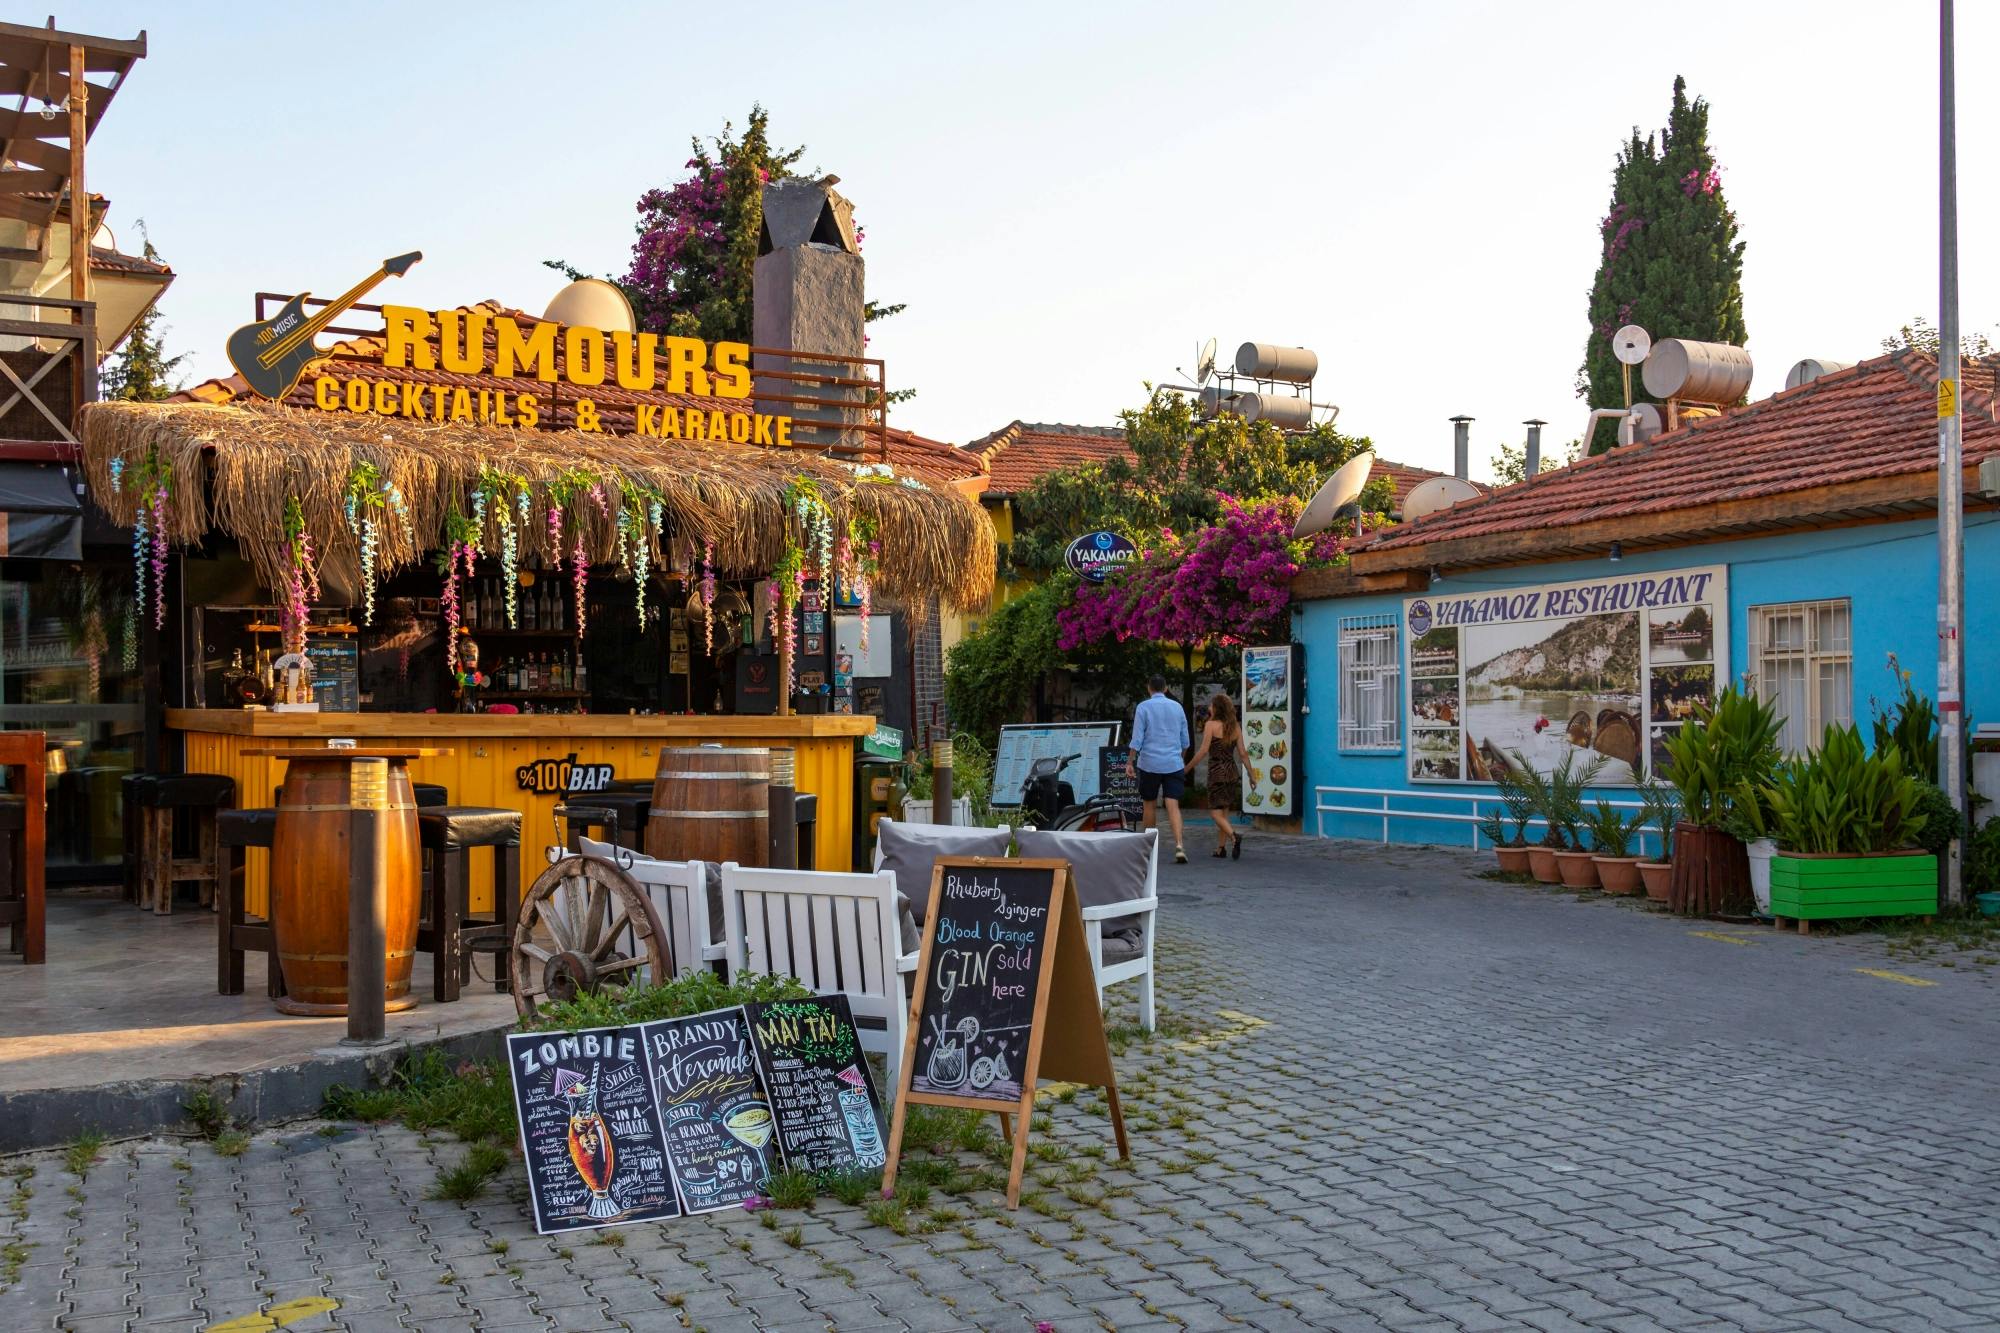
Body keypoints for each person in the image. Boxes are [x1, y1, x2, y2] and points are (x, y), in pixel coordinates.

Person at [1185, 694, 1260, 859]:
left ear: (1217, 708)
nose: (1209, 708)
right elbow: (1243, 754)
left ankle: (1234, 836)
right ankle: (1221, 849)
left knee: (1215, 813)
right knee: (1223, 813)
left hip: (1217, 773)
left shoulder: (1210, 725)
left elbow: (1203, 751)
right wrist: (1251, 775)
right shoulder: (1235, 727)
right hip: (1232, 773)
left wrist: (1187, 768)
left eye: (1211, 706)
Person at [1127, 674, 1190, 863]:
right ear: (1166, 688)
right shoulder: (1177, 707)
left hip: (1150, 764)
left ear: (1149, 688)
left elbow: (1137, 739)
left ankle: (1148, 848)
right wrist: (1180, 759)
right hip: (1173, 763)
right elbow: (1185, 741)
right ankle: (1179, 845)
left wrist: (1130, 761)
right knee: (1173, 805)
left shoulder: (1143, 707)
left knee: (1149, 803)